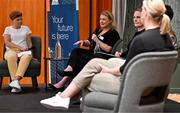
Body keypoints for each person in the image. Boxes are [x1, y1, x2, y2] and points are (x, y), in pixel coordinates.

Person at [40, 0, 174, 110]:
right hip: (150, 85)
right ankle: (65, 96)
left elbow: (125, 70)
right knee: (95, 62)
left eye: (142, 10)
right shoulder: (166, 38)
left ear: (146, 14)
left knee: (88, 77)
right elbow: (131, 65)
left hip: (132, 86)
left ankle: (65, 98)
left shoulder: (141, 40)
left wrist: (108, 71)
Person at [49, 10, 120, 90]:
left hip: (101, 56)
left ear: (110, 20)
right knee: (76, 51)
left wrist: (97, 40)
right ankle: (69, 69)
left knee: (80, 61)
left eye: (104, 19)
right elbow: (90, 42)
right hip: (92, 53)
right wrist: (83, 42)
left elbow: (108, 49)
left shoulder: (113, 33)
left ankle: (63, 82)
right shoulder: (98, 30)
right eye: (100, 19)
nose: (101, 21)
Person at [2, 10, 32, 93]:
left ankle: (15, 81)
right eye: (18, 20)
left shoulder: (26, 28)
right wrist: (19, 47)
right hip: (11, 50)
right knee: (11, 56)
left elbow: (29, 43)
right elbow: (7, 42)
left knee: (27, 57)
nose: (20, 21)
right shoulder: (8, 29)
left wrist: (31, 52)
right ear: (12, 20)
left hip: (24, 51)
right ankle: (16, 83)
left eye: (21, 19)